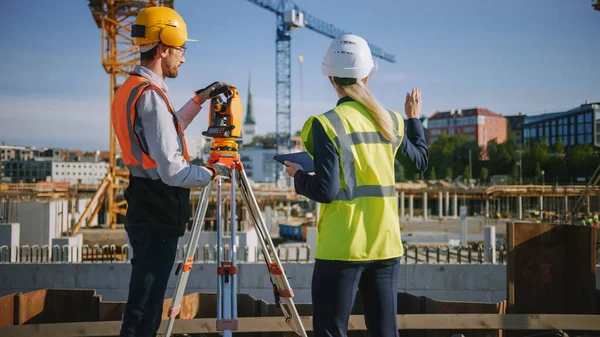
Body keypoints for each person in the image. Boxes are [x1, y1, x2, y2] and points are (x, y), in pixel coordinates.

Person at [284, 34, 428, 337]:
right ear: (367, 74)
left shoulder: (326, 124)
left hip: (343, 246)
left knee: (331, 331)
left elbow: (325, 190)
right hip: (385, 243)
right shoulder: (391, 121)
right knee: (385, 332)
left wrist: (298, 176)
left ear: (330, 78)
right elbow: (420, 163)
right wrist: (413, 118)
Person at [111, 6, 231, 337]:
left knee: (143, 305)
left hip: (143, 206)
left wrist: (200, 99)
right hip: (157, 211)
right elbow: (174, 172)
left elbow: (168, 127)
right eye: (181, 50)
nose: (183, 58)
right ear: (163, 49)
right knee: (146, 310)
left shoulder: (131, 89)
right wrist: (212, 173)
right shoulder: (150, 97)